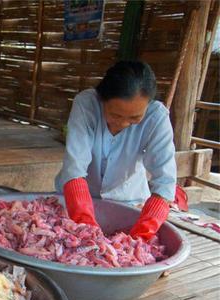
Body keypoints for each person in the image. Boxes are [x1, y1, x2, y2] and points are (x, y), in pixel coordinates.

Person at [55, 60, 177, 240]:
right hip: (76, 199)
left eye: (135, 117)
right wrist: (87, 230)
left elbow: (165, 182)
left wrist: (141, 236)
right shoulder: (87, 104)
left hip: (128, 203)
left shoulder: (157, 117)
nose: (123, 123)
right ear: (102, 98)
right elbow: (74, 168)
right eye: (115, 115)